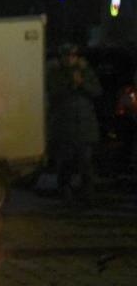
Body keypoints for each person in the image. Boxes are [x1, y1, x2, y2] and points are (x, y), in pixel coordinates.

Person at [46, 44, 102, 201]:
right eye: (66, 55)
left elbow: (96, 91)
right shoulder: (56, 73)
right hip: (64, 127)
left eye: (73, 55)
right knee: (66, 161)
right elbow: (54, 93)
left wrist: (82, 83)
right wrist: (71, 84)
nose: (70, 58)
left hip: (84, 127)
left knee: (86, 162)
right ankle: (65, 189)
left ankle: (88, 193)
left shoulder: (85, 71)